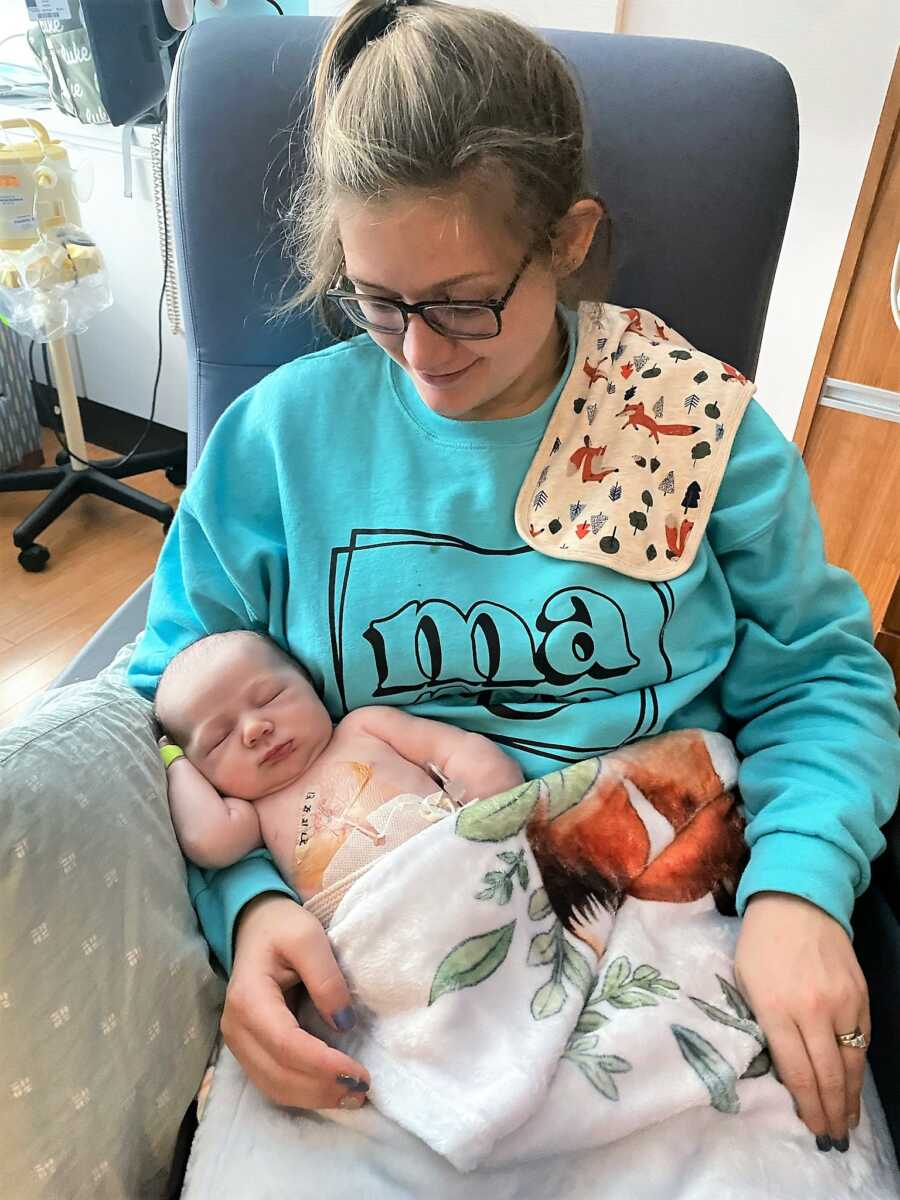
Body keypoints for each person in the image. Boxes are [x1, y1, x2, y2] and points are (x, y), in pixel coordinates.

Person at [127, 0, 899, 1158]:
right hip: (371, 937)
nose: (425, 356)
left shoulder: (690, 429)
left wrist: (800, 894)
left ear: (569, 237)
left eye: (464, 303)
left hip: (657, 907)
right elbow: (170, 713)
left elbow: (820, 682)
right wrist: (250, 912)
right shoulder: (276, 445)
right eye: (379, 302)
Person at [155, 628, 521, 921]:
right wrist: (175, 760)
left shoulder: (363, 727)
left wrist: (490, 788)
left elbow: (451, 750)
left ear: (308, 682)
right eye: (219, 739)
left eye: (269, 697)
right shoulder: (254, 812)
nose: (255, 728)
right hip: (375, 928)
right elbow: (207, 839)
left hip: (463, 863)